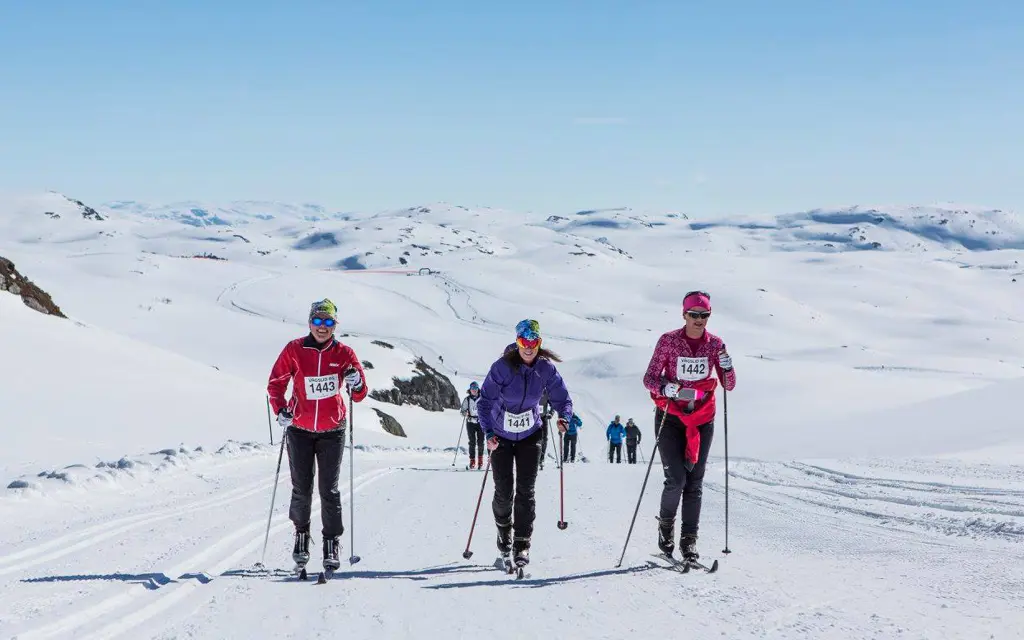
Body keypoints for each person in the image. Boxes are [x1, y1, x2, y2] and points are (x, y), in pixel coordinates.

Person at [267, 299, 369, 574]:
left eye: (328, 322)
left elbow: (359, 394)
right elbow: (275, 383)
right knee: (302, 489)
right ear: (310, 322)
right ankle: (301, 535)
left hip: (332, 430)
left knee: (329, 489)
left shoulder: (345, 353)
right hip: (299, 429)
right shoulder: (295, 349)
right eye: (318, 321)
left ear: (335, 325)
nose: (322, 327)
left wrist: (356, 382)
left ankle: (331, 541)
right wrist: (281, 410)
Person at [642, 290, 736, 562]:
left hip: (702, 418)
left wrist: (728, 368)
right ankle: (666, 528)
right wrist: (665, 386)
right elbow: (649, 378)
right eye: (694, 314)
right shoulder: (668, 342)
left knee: (694, 482)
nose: (699, 320)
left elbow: (728, 385)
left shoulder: (715, 345)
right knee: (676, 480)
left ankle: (689, 542)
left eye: (704, 315)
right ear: (684, 314)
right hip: (670, 416)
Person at [478, 319, 574, 567]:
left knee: (526, 491)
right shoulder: (502, 367)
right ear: (517, 341)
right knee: (503, 492)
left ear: (539, 343)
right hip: (500, 436)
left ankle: (522, 545)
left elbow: (562, 398)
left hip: (531, 434)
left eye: (534, 341)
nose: (529, 347)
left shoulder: (545, 369)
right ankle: (504, 536)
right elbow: (484, 402)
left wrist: (564, 417)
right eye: (524, 341)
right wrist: (488, 433)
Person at [461, 381, 484, 469]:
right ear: (470, 390)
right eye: (472, 389)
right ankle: (472, 461)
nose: (474, 390)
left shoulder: (482, 398)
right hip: (470, 422)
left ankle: (480, 461)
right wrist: (464, 413)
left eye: (475, 388)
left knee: (480, 442)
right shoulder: (467, 399)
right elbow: (462, 411)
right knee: (472, 442)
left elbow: (486, 407)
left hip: (481, 422)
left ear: (478, 389)